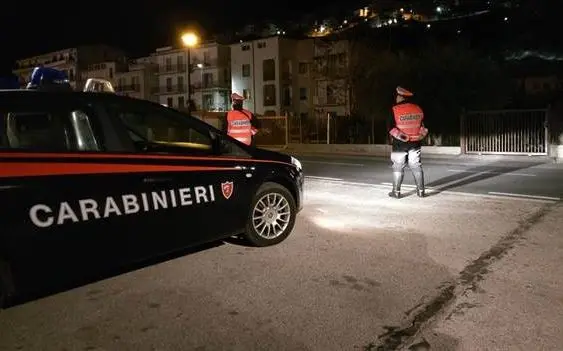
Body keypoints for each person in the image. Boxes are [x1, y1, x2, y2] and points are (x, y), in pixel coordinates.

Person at [387, 86, 429, 199]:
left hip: (400, 145)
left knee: (398, 167)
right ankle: (421, 191)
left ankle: (396, 192)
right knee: (416, 166)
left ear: (401, 97)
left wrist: (402, 136)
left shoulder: (394, 109)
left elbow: (391, 128)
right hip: (415, 143)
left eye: (397, 96)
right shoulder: (418, 108)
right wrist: (419, 136)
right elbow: (424, 127)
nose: (396, 98)